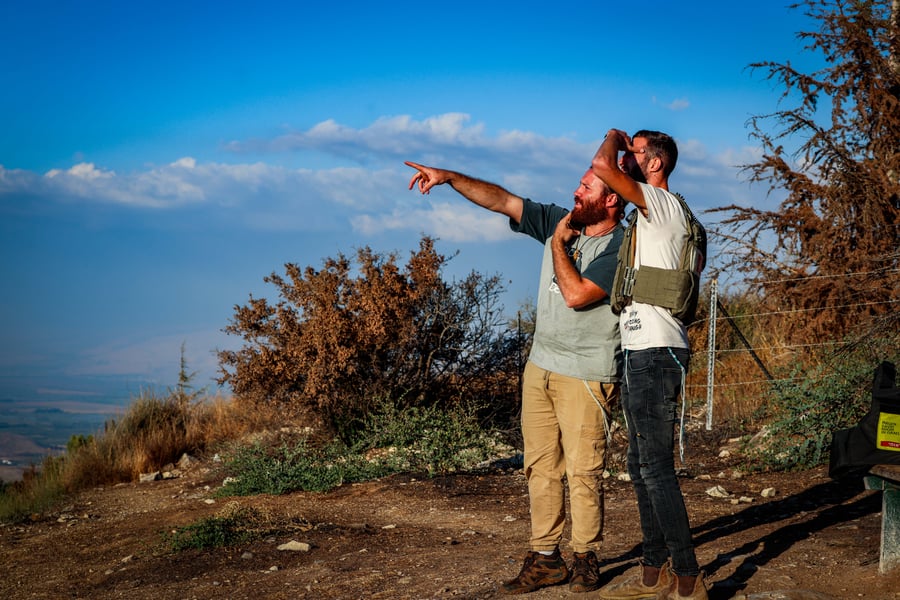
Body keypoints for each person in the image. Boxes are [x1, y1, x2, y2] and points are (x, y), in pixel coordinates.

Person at [405, 160, 624, 594]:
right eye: (578, 185)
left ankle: (584, 557)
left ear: (612, 199)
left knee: (584, 472)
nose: (576, 193)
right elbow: (503, 200)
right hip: (540, 368)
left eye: (586, 188)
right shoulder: (563, 220)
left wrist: (559, 244)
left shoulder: (622, 247)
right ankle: (546, 558)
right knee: (540, 468)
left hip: (587, 373)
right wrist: (449, 178)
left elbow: (577, 295)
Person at [590, 129, 708, 600]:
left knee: (656, 467)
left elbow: (602, 168)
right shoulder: (650, 215)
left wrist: (613, 137)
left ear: (655, 163)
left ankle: (688, 575)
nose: (625, 159)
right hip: (643, 350)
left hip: (657, 350)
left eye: (635, 154)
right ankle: (653, 572)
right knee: (639, 465)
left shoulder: (662, 205)